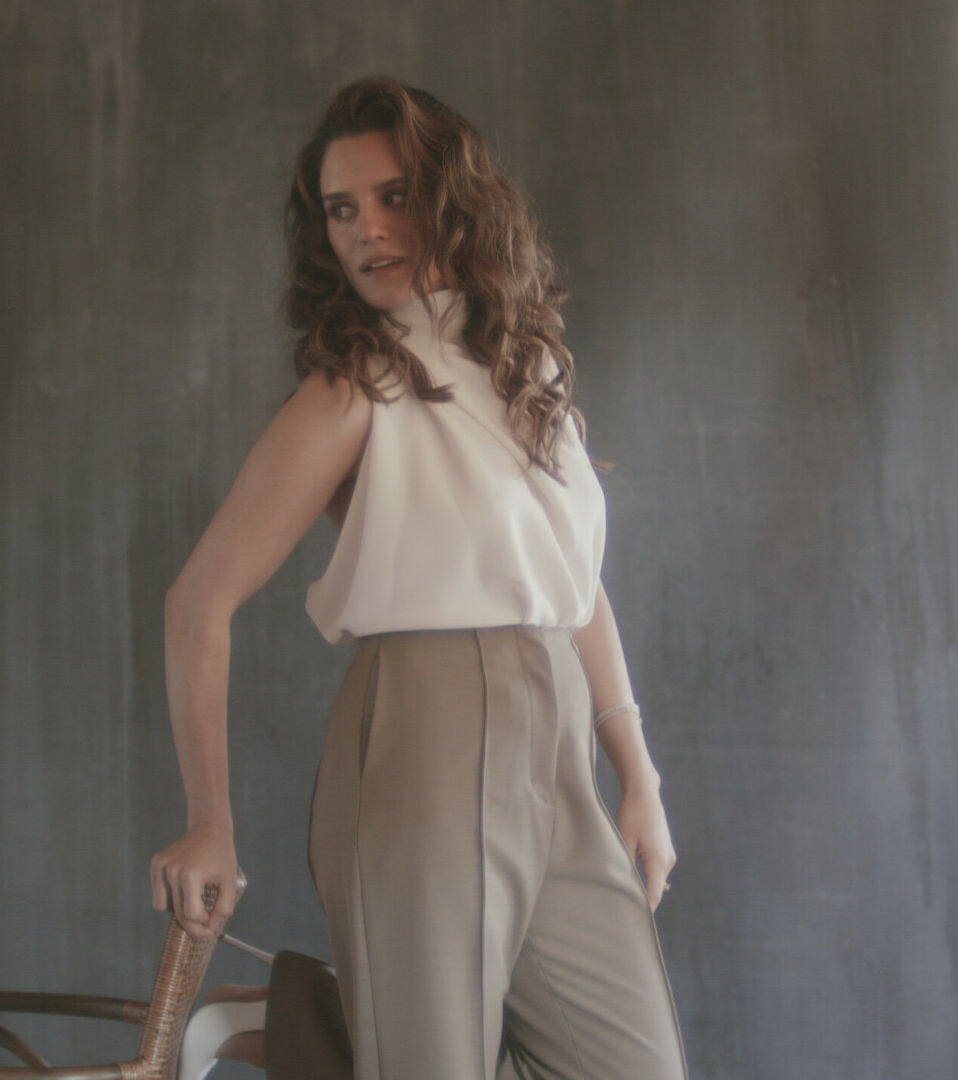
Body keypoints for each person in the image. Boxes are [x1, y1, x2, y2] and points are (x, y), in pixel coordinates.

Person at [149, 75, 690, 1080]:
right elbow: (198, 602)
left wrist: (639, 775)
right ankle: (325, 1031)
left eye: (392, 197)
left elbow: (571, 580)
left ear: (452, 197)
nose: (365, 229)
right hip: (424, 735)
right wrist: (209, 821)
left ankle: (310, 1024)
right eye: (340, 209)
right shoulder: (358, 385)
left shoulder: (531, 370)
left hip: (557, 743)